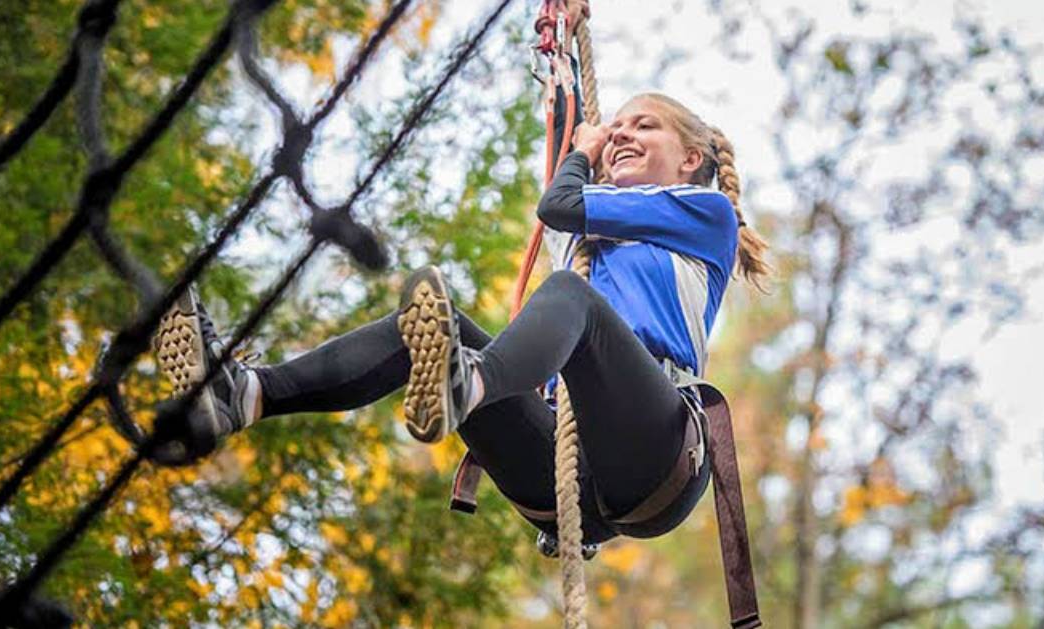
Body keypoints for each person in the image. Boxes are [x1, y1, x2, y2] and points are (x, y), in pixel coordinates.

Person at [153, 91, 770, 547]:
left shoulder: (704, 215)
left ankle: (468, 383)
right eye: (616, 129)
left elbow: (558, 201)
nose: (620, 135)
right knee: (427, 327)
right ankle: (245, 395)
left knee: (570, 299)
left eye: (645, 125)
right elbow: (563, 142)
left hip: (656, 455)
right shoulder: (591, 237)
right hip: (561, 476)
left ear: (691, 157)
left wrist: (585, 153)